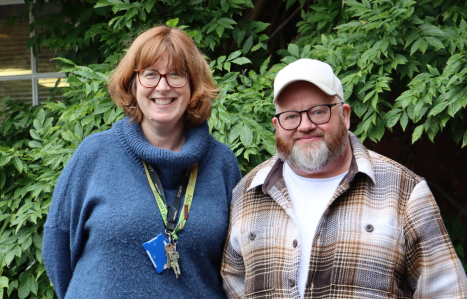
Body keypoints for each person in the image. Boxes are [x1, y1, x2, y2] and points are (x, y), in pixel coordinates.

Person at [221, 58, 467, 298]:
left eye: (318, 111)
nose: (304, 125)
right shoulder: (247, 193)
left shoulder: (404, 191)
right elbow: (232, 283)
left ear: (345, 116)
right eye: (291, 116)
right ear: (277, 124)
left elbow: (448, 291)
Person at [43, 26, 242, 299]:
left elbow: (235, 267)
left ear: (194, 84)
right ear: (133, 83)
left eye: (176, 74)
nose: (162, 86)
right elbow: (57, 248)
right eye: (150, 74)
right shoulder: (94, 154)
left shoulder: (221, 163)